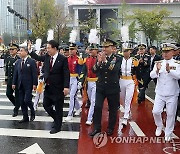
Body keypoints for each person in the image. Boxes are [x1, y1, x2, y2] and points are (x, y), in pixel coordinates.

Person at [28, 40, 70, 134]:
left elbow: (66, 73)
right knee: (46, 105)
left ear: (55, 48)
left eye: (48, 48)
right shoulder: (47, 57)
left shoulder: (62, 58)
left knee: (59, 108)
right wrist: (30, 50)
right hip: (48, 86)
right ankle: (57, 120)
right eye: (46, 48)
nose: (47, 50)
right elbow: (38, 57)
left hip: (58, 87)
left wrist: (66, 87)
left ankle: (58, 126)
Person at [89, 39, 122, 136]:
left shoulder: (117, 58)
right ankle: (97, 128)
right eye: (103, 47)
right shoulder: (100, 56)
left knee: (112, 108)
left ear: (113, 48)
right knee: (97, 106)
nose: (104, 49)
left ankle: (111, 128)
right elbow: (94, 70)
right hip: (101, 86)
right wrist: (99, 62)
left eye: (107, 47)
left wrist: (105, 61)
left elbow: (114, 70)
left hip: (112, 87)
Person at [150, 43, 180, 141]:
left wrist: (169, 71)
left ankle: (168, 132)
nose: (165, 54)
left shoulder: (176, 63)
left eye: (168, 52)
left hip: (172, 93)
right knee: (156, 111)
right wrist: (157, 70)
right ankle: (159, 126)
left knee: (171, 114)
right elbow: (152, 75)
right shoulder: (158, 63)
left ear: (172, 52)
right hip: (160, 93)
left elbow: (178, 76)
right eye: (164, 52)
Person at [12, 47, 38, 123]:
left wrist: (34, 84)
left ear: (26, 52)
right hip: (20, 84)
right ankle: (25, 117)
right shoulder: (18, 62)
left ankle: (32, 112)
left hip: (28, 84)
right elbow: (15, 74)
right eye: (19, 51)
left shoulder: (31, 61)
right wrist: (14, 83)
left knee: (27, 100)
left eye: (21, 51)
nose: (19, 52)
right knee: (22, 101)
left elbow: (34, 73)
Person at [78, 43, 98, 125]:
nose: (90, 51)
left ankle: (90, 118)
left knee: (93, 101)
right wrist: (81, 81)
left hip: (97, 82)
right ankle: (94, 114)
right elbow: (83, 71)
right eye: (90, 49)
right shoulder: (86, 60)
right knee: (90, 100)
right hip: (89, 82)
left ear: (96, 51)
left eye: (92, 50)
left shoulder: (99, 59)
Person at [120, 46, 139, 126]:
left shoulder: (134, 60)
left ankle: (125, 116)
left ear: (130, 52)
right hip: (121, 80)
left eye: (127, 51)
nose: (125, 53)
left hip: (130, 81)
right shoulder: (119, 60)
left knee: (128, 98)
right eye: (124, 51)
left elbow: (138, 70)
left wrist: (138, 81)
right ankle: (127, 110)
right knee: (123, 98)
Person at [65, 43, 84, 122]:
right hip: (69, 78)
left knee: (72, 95)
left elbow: (81, 71)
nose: (71, 51)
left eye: (73, 49)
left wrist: (80, 81)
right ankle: (78, 108)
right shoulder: (67, 59)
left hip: (76, 78)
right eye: (70, 49)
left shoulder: (79, 59)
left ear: (76, 50)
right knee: (73, 96)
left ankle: (70, 114)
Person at [5, 44, 20, 117]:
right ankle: (17, 104)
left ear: (16, 50)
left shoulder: (19, 59)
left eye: (12, 49)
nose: (10, 51)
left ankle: (16, 110)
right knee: (8, 94)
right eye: (10, 49)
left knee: (17, 95)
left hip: (17, 80)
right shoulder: (8, 58)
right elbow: (7, 69)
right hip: (10, 80)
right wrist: (6, 79)